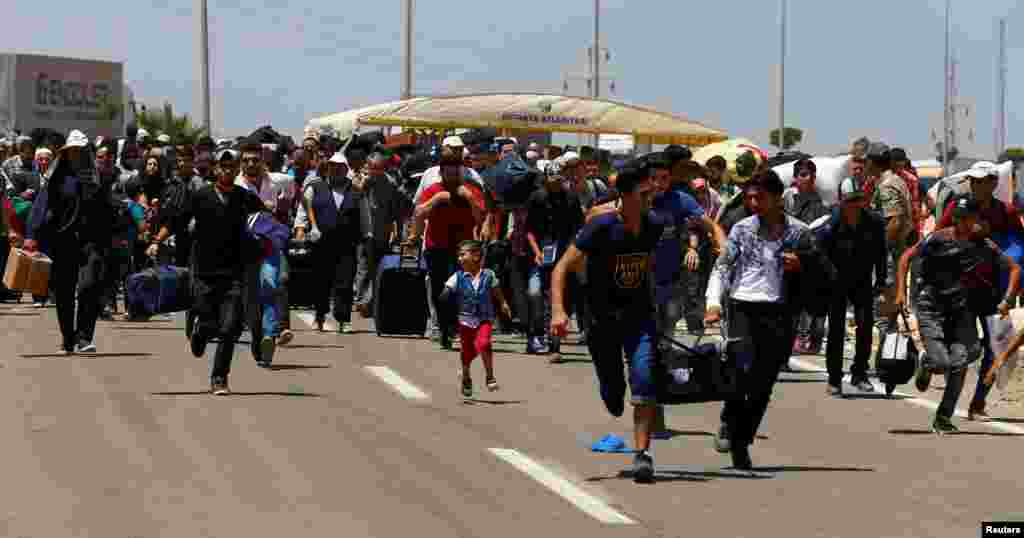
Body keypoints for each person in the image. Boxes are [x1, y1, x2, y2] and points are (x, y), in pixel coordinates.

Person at [704, 170, 835, 469]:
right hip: (742, 306)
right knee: (740, 374)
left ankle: (743, 439)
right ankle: (730, 422)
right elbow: (723, 266)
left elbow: (826, 273)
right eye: (749, 197)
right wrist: (713, 302)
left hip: (780, 312)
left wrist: (803, 264)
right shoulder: (741, 229)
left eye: (759, 197)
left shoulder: (800, 232)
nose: (753, 203)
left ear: (777, 198)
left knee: (763, 383)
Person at [550, 163, 663, 483]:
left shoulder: (654, 224)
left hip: (639, 318)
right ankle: (610, 385)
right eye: (644, 193)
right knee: (614, 392)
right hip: (601, 320)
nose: (650, 197)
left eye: (652, 191)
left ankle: (642, 455)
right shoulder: (600, 226)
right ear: (625, 196)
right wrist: (559, 312)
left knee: (644, 379)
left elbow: (649, 268)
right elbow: (561, 269)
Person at [896, 196, 1020, 433]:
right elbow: (905, 258)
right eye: (958, 218)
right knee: (942, 362)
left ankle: (943, 417)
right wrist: (901, 292)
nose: (962, 223)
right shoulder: (939, 238)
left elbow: (1014, 268)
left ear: (975, 219)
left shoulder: (983, 243)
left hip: (961, 311)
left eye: (967, 219)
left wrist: (1007, 299)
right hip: (932, 307)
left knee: (961, 361)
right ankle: (927, 361)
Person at [186, 149, 268, 395]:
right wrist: (158, 239)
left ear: (237, 170)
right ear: (216, 169)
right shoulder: (201, 196)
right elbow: (177, 219)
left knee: (231, 327)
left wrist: (273, 234)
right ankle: (200, 331)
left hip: (234, 273)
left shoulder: (244, 197)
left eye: (232, 167)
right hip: (204, 272)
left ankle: (219, 377)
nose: (227, 170)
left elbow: (265, 219)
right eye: (223, 166)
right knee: (210, 322)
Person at [24, 131, 115, 353]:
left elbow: (107, 209)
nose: (75, 155)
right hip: (63, 240)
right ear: (66, 153)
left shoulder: (98, 178)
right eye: (71, 151)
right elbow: (41, 206)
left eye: (79, 151)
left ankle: (84, 337)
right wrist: (31, 234)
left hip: (91, 242)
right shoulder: (58, 176)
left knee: (89, 286)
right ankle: (68, 338)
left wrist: (113, 237)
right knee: (64, 293)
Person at [814, 178, 887, 395]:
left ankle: (860, 374)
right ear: (841, 201)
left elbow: (881, 253)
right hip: (836, 282)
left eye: (859, 200)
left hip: (862, 280)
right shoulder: (832, 223)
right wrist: (829, 276)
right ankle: (834, 378)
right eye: (850, 201)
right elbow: (820, 253)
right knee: (836, 330)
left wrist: (881, 280)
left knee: (865, 327)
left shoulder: (874, 222)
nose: (855, 205)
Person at [410, 147, 486, 350]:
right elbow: (418, 214)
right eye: (447, 170)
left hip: (463, 250)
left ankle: (455, 328)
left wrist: (469, 199)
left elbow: (481, 218)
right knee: (440, 292)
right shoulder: (433, 190)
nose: (451, 174)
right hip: (436, 247)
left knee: (459, 290)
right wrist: (435, 201)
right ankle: (445, 328)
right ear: (441, 172)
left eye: (455, 170)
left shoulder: (471, 189)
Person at [441, 240, 513, 398]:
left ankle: (490, 376)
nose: (459, 258)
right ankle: (466, 377)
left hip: (484, 318)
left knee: (484, 344)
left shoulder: (489, 275)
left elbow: (496, 290)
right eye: (458, 255)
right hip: (465, 320)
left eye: (463, 254)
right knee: (467, 352)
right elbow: (446, 292)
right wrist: (446, 299)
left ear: (476, 256)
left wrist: (503, 303)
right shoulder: (457, 276)